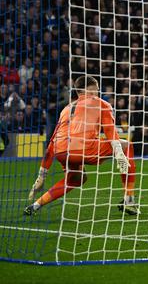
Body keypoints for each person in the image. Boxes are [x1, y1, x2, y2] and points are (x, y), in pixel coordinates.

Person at [24, 76, 138, 216]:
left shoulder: (66, 109)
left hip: (62, 152)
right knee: (127, 145)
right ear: (92, 89)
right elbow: (109, 131)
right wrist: (119, 152)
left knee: (77, 178)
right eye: (96, 89)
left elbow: (52, 144)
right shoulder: (101, 103)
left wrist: (41, 176)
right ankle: (129, 200)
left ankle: (35, 205)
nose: (97, 92)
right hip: (84, 148)